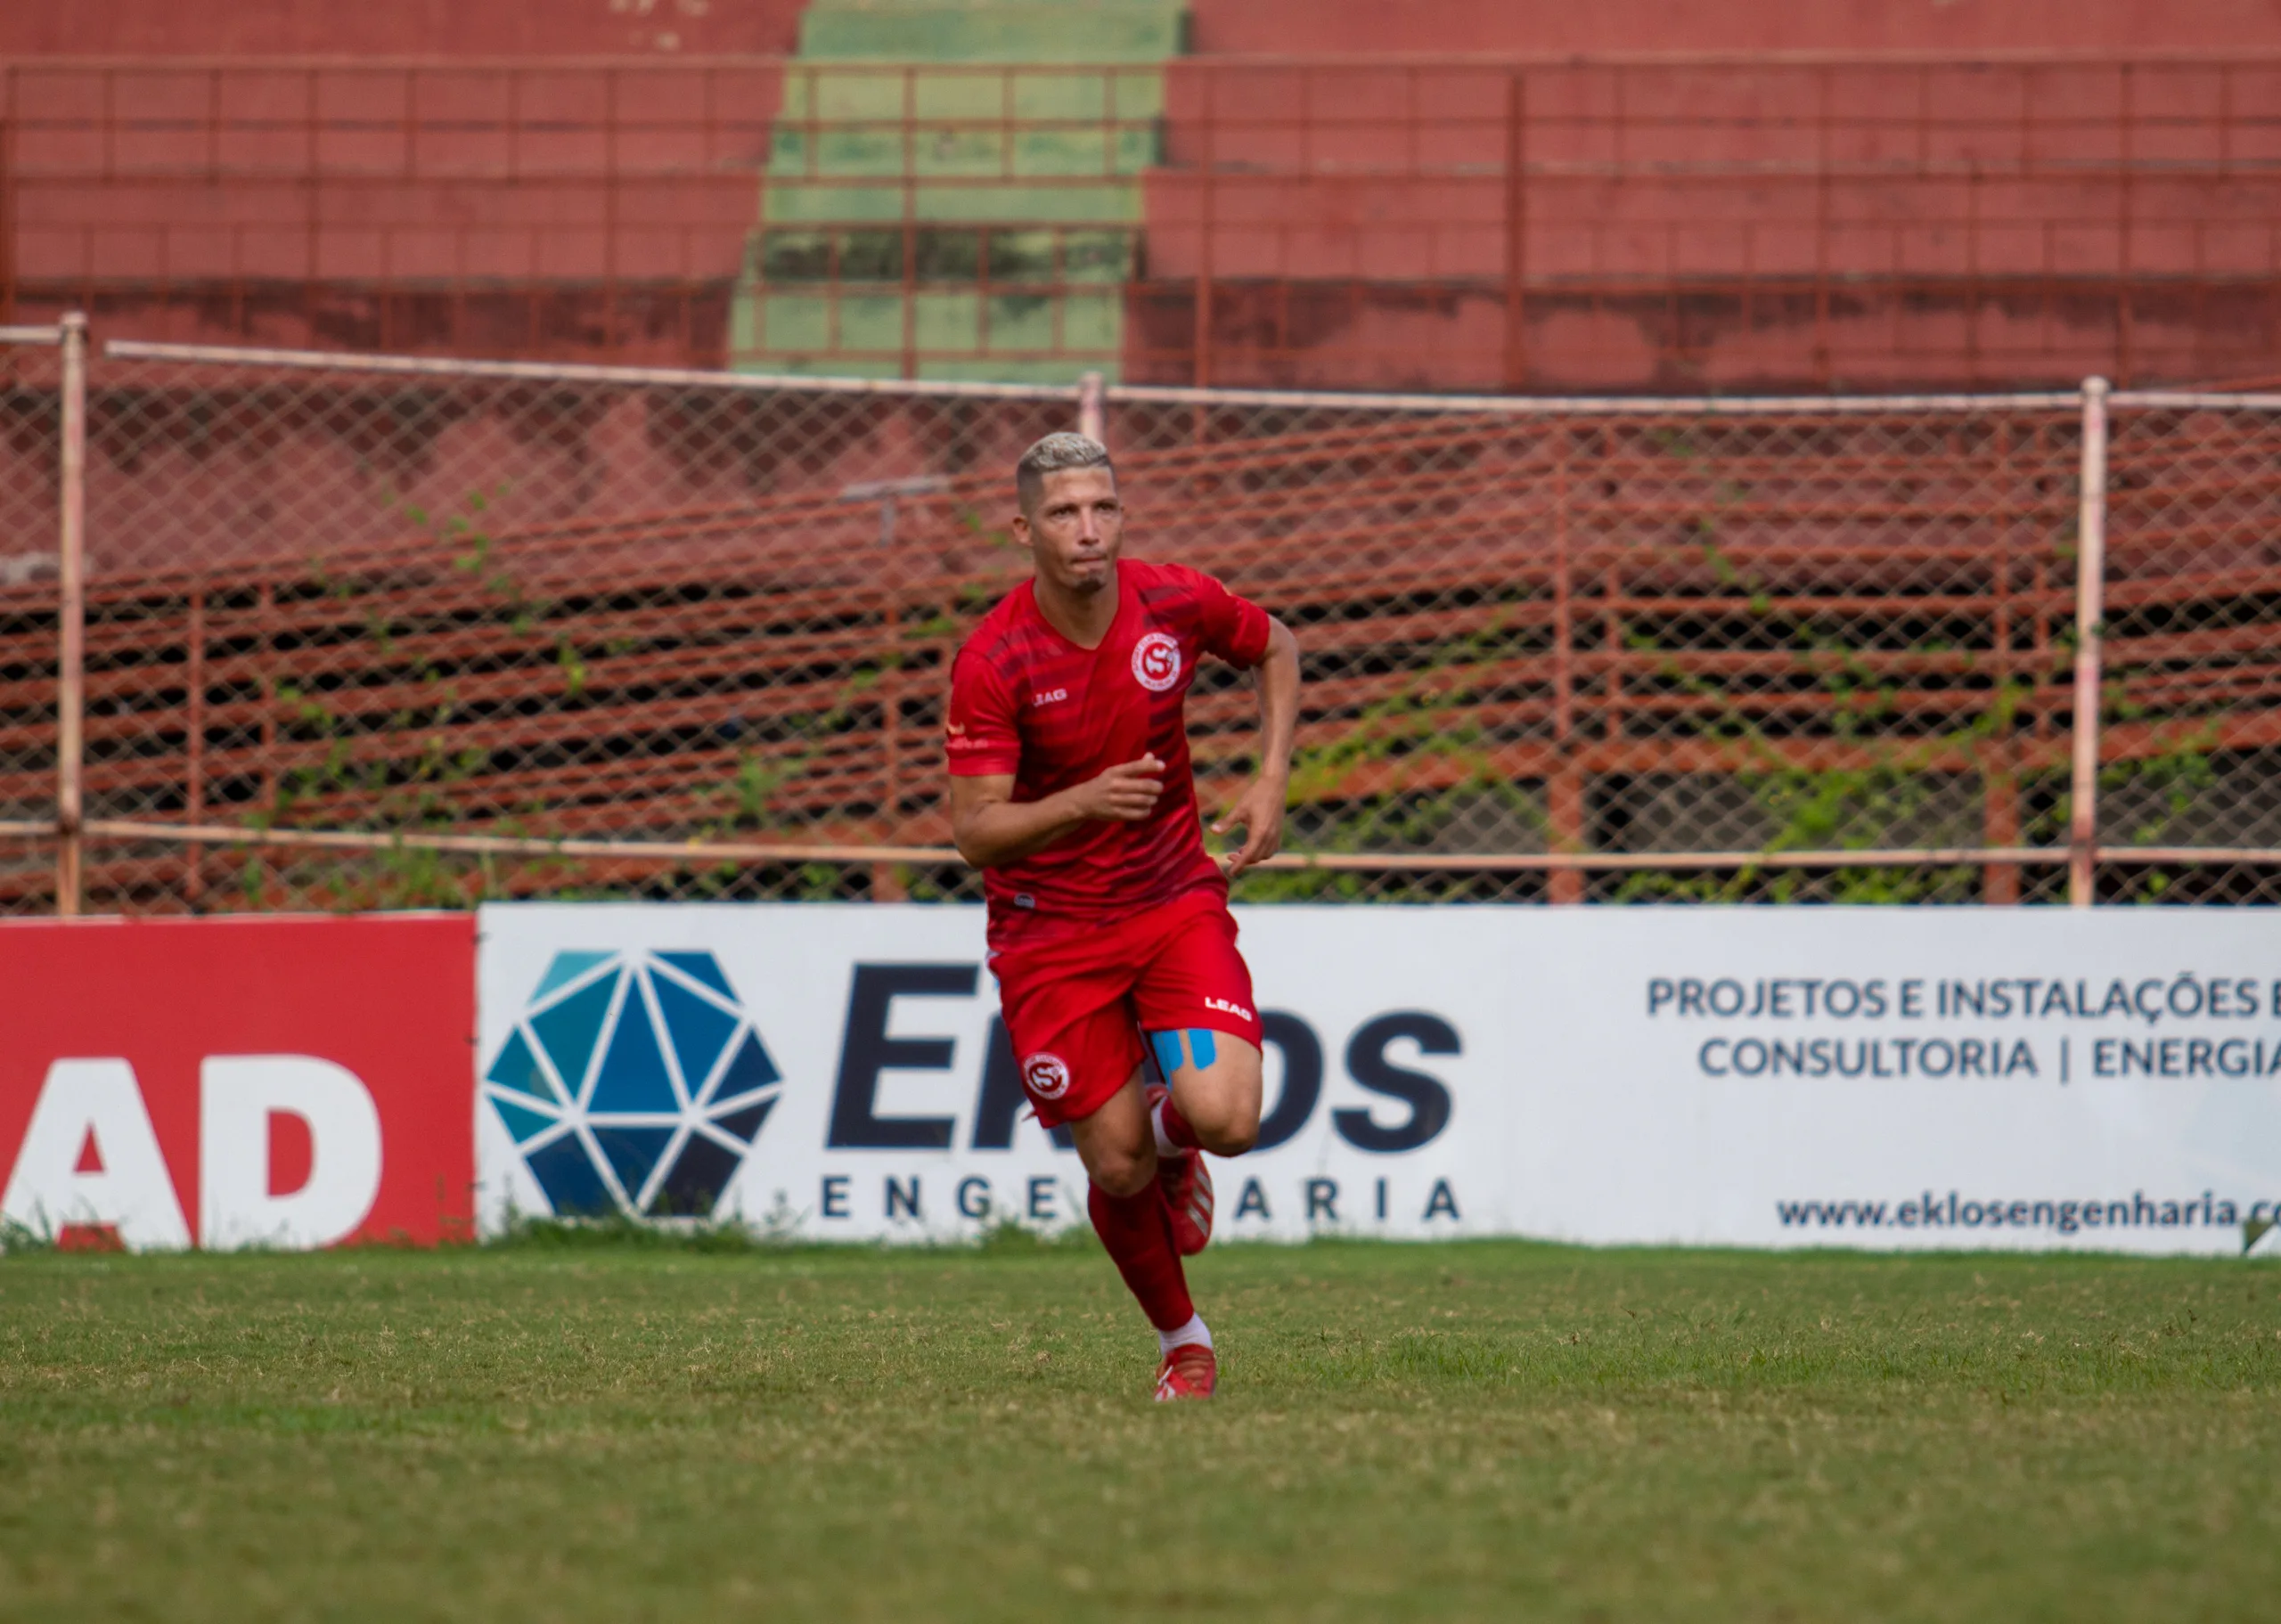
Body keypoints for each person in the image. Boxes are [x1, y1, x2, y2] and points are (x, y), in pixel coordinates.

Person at [945, 430, 1302, 1402]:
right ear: (1024, 528)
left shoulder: (1173, 599)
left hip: (1169, 898)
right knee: (1113, 1163)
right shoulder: (994, 657)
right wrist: (1079, 802)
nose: (1089, 529)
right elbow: (975, 833)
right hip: (1048, 932)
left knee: (1225, 1119)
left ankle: (1172, 1127)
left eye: (1103, 507)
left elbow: (1274, 643)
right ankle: (1184, 1341)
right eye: (1064, 513)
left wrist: (1269, 781)